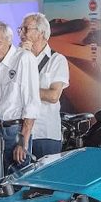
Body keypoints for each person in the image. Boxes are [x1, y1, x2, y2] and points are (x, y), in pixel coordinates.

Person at [0, 21, 39, 172]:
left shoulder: (24, 58)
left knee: (17, 179)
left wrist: (22, 142)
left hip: (15, 131)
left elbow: (31, 104)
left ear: (9, 40)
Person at [19, 13, 69, 158]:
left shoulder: (57, 60)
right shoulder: (18, 57)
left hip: (44, 133)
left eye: (26, 29)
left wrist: (26, 90)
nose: (21, 34)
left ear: (41, 33)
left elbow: (53, 96)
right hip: (19, 132)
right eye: (20, 29)